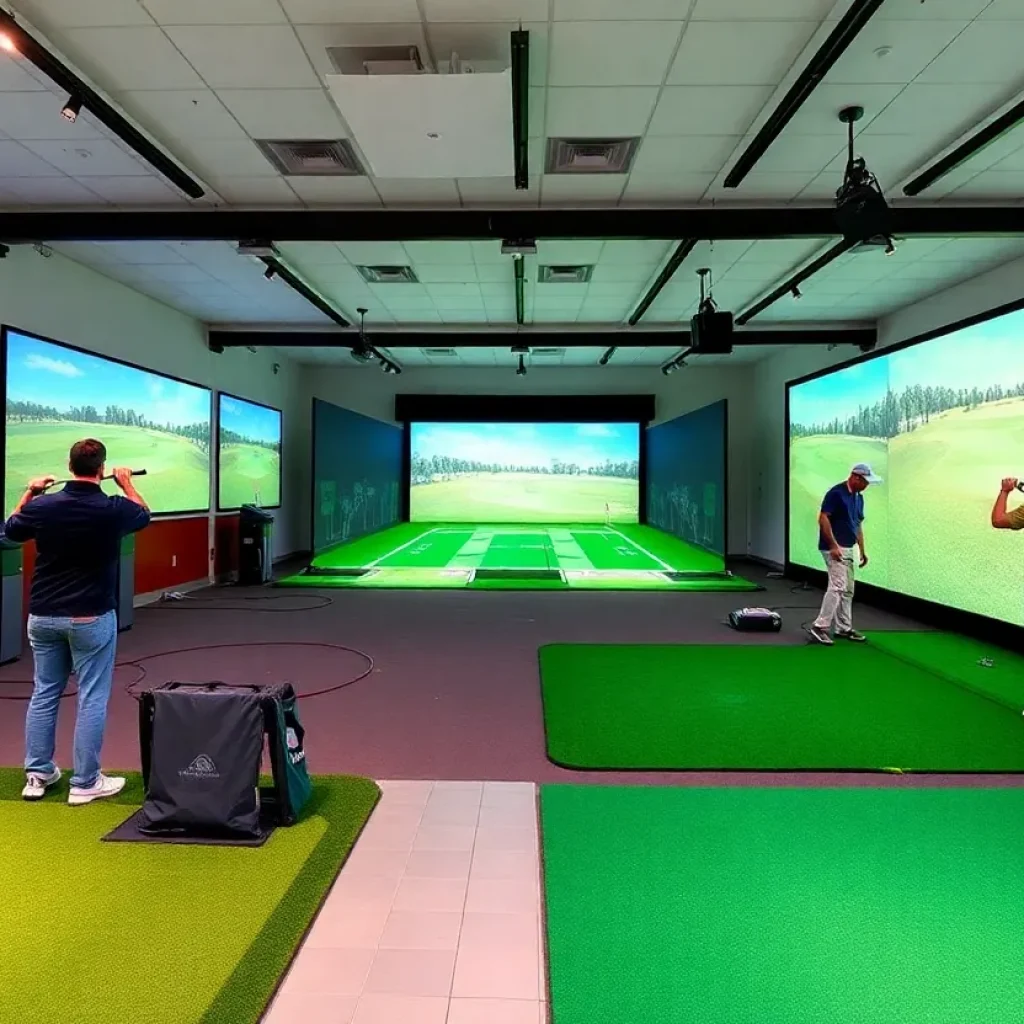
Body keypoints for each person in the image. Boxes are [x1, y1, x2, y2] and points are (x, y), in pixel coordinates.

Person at [2, 439, 150, 804]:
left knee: (44, 691)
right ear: (101, 469)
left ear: (70, 467)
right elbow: (144, 515)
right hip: (91, 617)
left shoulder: (44, 506)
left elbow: (10, 530)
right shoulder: (112, 507)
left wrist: (30, 492)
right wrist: (126, 482)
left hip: (43, 618)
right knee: (92, 696)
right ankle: (84, 783)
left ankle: (37, 775)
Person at [806, 463, 880, 646]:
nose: (867, 485)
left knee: (848, 590)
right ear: (855, 477)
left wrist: (862, 550)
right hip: (833, 547)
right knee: (837, 586)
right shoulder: (836, 493)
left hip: (847, 547)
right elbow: (823, 518)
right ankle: (820, 627)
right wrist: (833, 545)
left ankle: (843, 627)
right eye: (865, 481)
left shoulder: (858, 498)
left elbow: (857, 524)